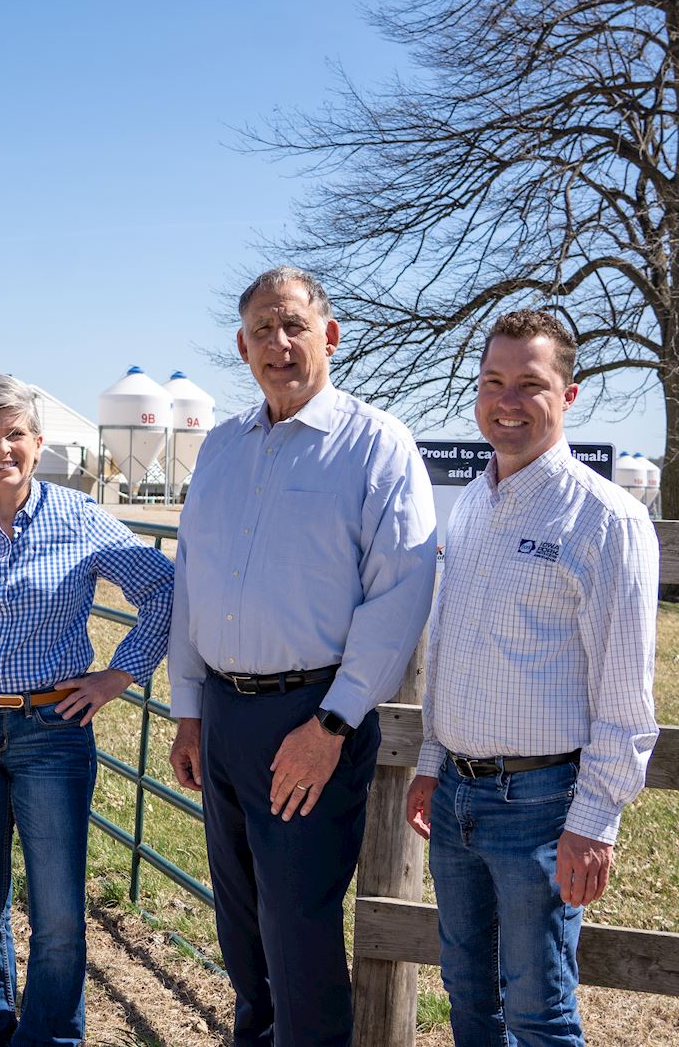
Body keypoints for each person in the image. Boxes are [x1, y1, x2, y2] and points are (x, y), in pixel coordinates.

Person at [167, 266, 437, 1047]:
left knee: (299, 932)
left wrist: (331, 724)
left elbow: (399, 596)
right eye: (261, 330)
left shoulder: (375, 445)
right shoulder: (220, 447)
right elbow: (193, 580)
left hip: (310, 716)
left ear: (330, 335)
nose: (278, 344)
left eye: (292, 325)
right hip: (222, 714)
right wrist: (188, 711)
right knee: (242, 922)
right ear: (242, 346)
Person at [404, 310, 659, 1047]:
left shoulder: (606, 518)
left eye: (529, 384)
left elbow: (626, 693)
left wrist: (594, 820)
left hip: (543, 806)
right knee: (467, 991)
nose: (506, 400)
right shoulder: (475, 504)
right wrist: (430, 760)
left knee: (540, 1012)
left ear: (569, 395)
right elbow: (447, 643)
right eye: (493, 381)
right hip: (455, 795)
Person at [0, 375, 175, 1047]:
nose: (3, 448)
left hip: (51, 731)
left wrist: (120, 675)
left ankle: (52, 1038)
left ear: (39, 443)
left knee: (58, 912)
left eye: (16, 435)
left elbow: (164, 587)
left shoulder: (77, 516)